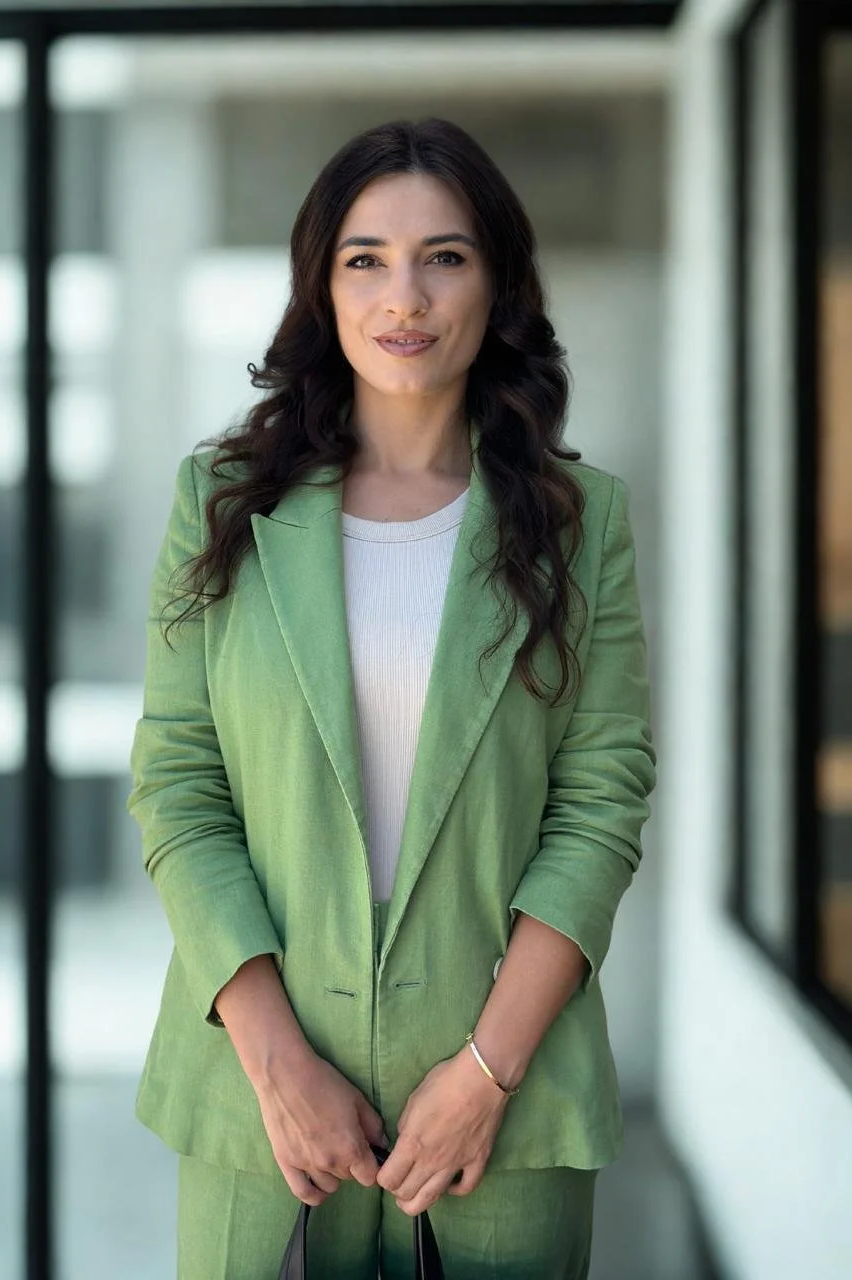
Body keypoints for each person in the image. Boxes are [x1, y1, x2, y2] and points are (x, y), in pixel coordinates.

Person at [127, 116, 657, 1280]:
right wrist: (276, 1062)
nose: (403, 294)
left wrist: (484, 1073)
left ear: (497, 282)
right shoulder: (219, 502)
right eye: (365, 257)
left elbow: (600, 803)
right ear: (322, 284)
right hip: (258, 1106)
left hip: (503, 1118)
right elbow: (178, 781)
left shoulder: (582, 522)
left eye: (445, 256)